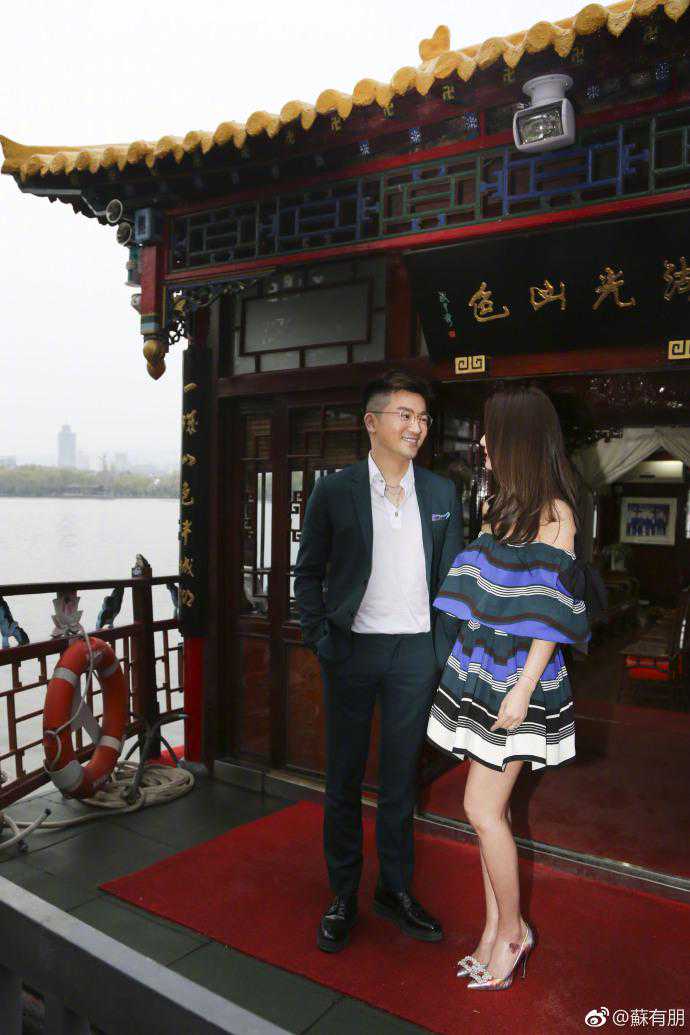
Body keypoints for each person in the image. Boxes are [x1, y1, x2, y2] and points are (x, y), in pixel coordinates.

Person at [426, 385, 589, 991]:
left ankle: (514, 932)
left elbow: (550, 614)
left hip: (521, 679)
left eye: (491, 434)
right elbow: (487, 599)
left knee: (481, 809)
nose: (483, 445)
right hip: (484, 671)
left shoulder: (556, 515)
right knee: (485, 814)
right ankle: (495, 928)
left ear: (518, 439)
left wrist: (521, 691)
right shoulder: (506, 510)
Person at [294, 370, 463, 953]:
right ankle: (343, 893)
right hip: (352, 650)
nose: (417, 427)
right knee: (343, 777)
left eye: (423, 418)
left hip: (415, 654)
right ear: (372, 422)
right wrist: (321, 638)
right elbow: (307, 573)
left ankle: (394, 889)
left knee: (400, 781)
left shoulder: (440, 494)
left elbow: (453, 581)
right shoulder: (335, 491)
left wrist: (440, 651)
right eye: (405, 415)